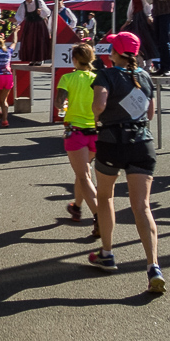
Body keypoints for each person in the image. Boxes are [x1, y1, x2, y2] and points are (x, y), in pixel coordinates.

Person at [89, 32, 165, 294]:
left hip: (112, 141)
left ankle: (107, 253)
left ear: (115, 51)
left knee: (106, 197)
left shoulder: (106, 74)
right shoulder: (145, 76)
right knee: (142, 206)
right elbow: (151, 113)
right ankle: (153, 265)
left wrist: (98, 115)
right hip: (142, 142)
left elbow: (99, 105)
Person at [54, 42, 99, 238]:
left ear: (74, 59)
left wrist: (66, 104)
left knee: (84, 176)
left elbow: (58, 103)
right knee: (84, 172)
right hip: (96, 132)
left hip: (76, 132)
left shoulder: (68, 78)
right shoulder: (98, 78)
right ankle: (77, 206)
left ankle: (99, 215)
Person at [120, 0, 159, 66]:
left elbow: (147, 4)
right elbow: (131, 7)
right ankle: (141, 62)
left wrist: (148, 15)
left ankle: (147, 64)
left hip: (141, 17)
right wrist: (128, 20)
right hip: (137, 17)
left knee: (144, 39)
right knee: (138, 38)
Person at [15, 0, 51, 65]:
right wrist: (15, 21)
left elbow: (47, 13)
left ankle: (40, 59)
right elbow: (19, 17)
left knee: (39, 41)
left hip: (39, 24)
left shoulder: (39, 1)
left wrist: (40, 12)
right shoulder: (23, 4)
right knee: (29, 42)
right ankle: (32, 59)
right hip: (29, 25)